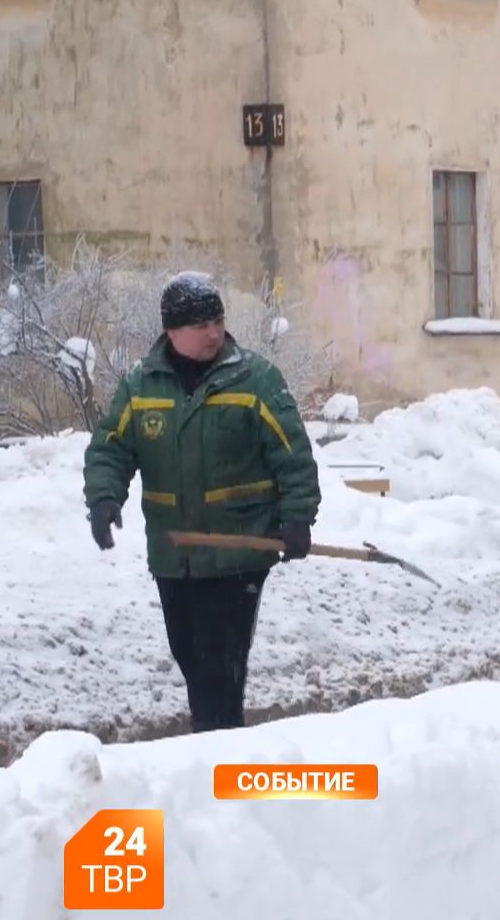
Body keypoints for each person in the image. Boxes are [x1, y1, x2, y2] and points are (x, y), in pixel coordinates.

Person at [82, 272, 321, 733]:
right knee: (191, 658)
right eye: (200, 325)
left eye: (218, 321)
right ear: (172, 331)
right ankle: (213, 745)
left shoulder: (255, 379)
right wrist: (105, 497)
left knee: (220, 668)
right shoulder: (142, 386)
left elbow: (292, 455)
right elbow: (110, 448)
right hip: (174, 556)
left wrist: (297, 516)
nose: (213, 333)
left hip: (239, 554)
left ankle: (218, 751)